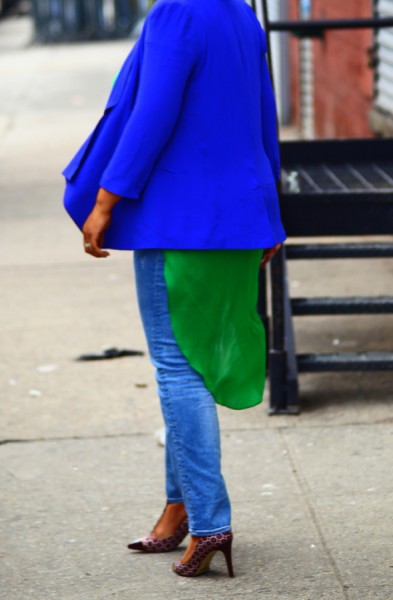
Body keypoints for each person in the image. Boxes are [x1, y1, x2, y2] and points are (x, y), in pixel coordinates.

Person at [62, 0, 286, 578]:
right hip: (236, 215)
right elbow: (265, 114)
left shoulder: (174, 14)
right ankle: (178, 510)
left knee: (177, 366)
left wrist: (106, 200)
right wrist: (270, 212)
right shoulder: (239, 13)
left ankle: (211, 522)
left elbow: (152, 113)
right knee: (193, 361)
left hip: (181, 219)